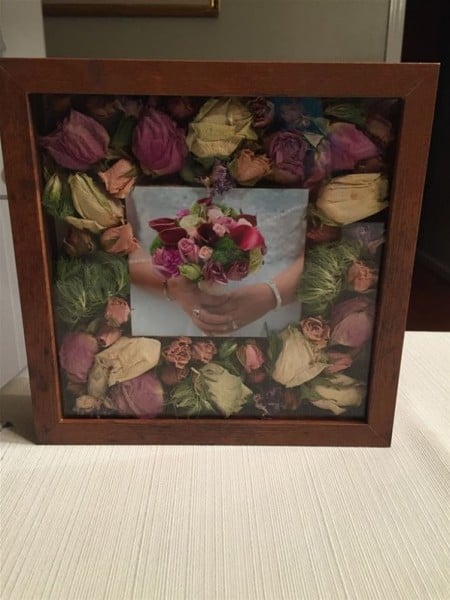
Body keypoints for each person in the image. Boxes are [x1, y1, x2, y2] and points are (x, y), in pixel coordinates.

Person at [129, 247, 304, 336]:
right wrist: (171, 284)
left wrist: (272, 295)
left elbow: (319, 246)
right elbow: (122, 250)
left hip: (287, 287)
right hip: (164, 304)